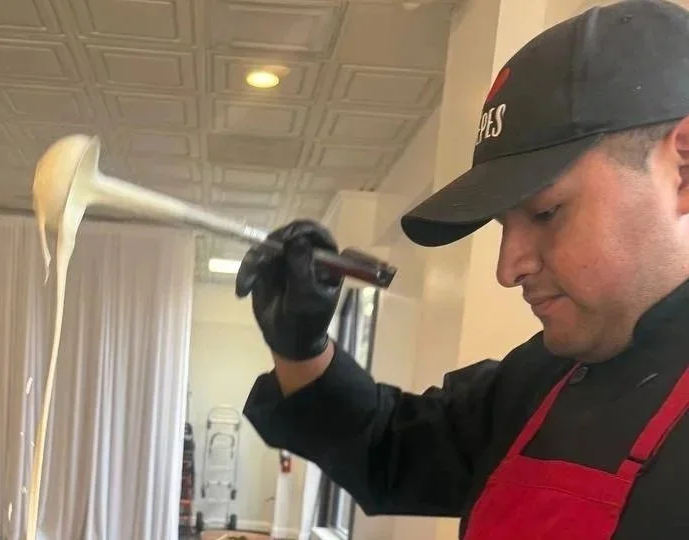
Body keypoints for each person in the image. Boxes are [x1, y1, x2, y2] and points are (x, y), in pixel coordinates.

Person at [234, 1, 689, 539]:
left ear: (682, 168)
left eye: (545, 212)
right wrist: (299, 343)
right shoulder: (541, 377)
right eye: (503, 225)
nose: (507, 267)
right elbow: (388, 448)